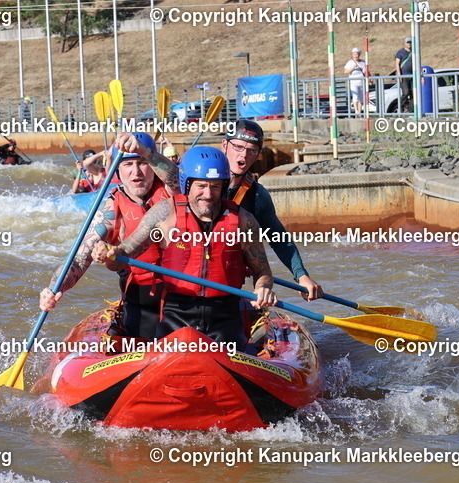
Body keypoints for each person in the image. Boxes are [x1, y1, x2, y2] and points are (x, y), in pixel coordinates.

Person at [94, 147, 275, 349]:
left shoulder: (244, 220)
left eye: (215, 186)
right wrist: (111, 253)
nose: (208, 194)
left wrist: (263, 288)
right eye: (201, 186)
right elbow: (127, 250)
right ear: (187, 184)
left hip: (225, 316)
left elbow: (263, 272)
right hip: (177, 315)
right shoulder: (164, 213)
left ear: (224, 187)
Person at [40, 132, 179, 340]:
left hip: (184, 296)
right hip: (141, 299)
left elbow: (175, 176)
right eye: (127, 165)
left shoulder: (172, 193)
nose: (136, 172)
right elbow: (79, 260)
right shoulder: (110, 209)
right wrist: (53, 288)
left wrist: (146, 151)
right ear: (116, 170)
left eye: (142, 163)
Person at [220, 119, 323, 301]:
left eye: (252, 150)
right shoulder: (197, 182)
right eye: (238, 147)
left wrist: (301, 276)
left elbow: (280, 240)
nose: (243, 156)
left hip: (228, 278)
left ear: (258, 154)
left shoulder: (258, 196)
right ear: (224, 145)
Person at [343, 47, 370, 114]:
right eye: (354, 54)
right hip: (353, 82)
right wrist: (353, 67)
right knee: (355, 96)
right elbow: (346, 72)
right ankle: (356, 110)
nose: (355, 56)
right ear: (352, 55)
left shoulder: (363, 62)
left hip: (361, 81)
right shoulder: (350, 63)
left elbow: (366, 71)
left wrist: (370, 79)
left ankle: (360, 111)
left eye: (357, 54)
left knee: (361, 97)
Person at [394, 37, 413, 112]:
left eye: (410, 43)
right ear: (404, 43)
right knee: (406, 92)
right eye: (408, 43)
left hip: (412, 75)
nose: (409, 44)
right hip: (404, 75)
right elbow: (397, 64)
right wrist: (399, 75)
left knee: (413, 93)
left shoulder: (414, 52)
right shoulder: (401, 52)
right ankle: (401, 108)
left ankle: (412, 110)